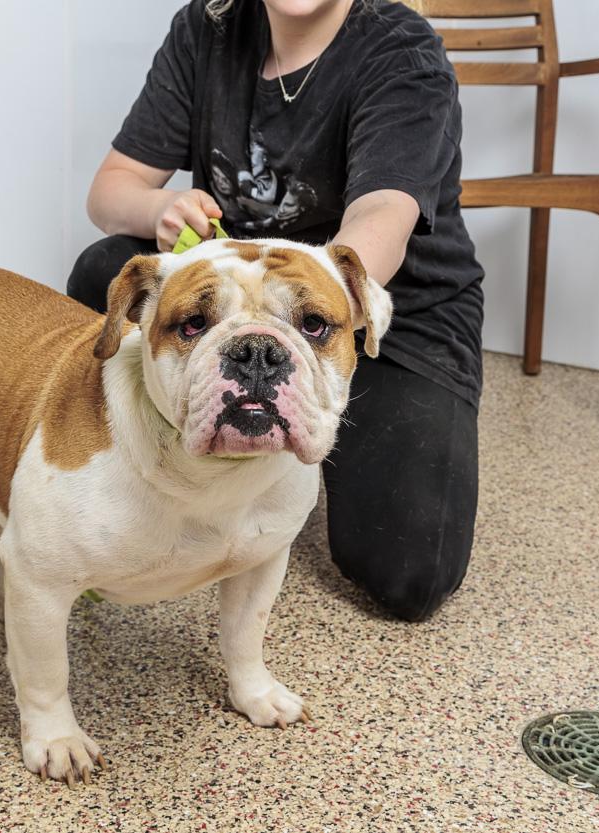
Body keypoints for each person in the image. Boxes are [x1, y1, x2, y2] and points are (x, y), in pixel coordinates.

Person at [66, 0, 482, 622]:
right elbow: (111, 189)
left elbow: (383, 220)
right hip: (232, 306)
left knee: (408, 577)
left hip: (381, 311)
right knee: (105, 266)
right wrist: (160, 211)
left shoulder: (403, 48)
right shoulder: (206, 27)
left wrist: (314, 323)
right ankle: (114, 468)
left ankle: (308, 433)